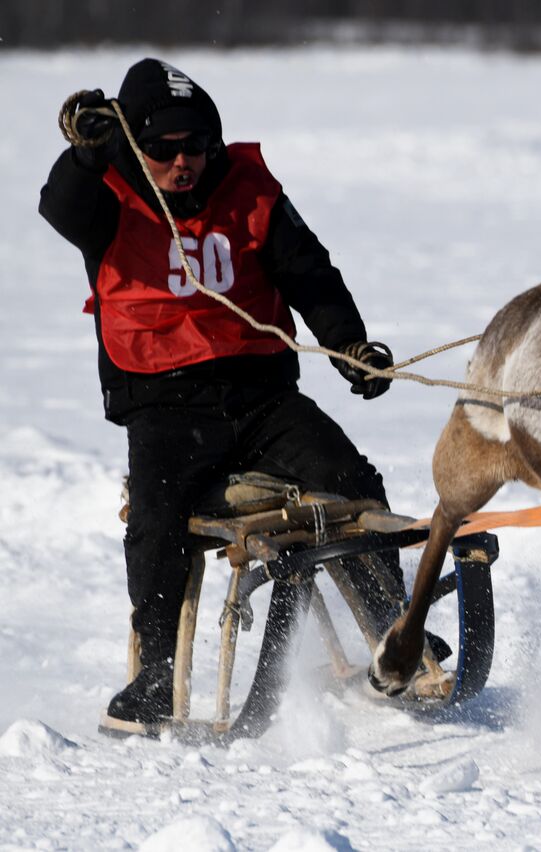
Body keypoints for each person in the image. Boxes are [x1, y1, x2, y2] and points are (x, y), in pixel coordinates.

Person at [39, 58, 437, 733]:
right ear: (135, 146)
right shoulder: (107, 190)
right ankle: (157, 678)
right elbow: (59, 206)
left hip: (260, 397)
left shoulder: (249, 189)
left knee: (350, 481)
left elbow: (308, 271)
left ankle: (397, 642)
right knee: (158, 520)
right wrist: (85, 152)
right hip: (162, 400)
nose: (183, 162)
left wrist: (351, 347)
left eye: (196, 146)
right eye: (162, 149)